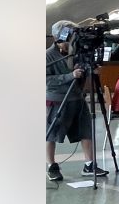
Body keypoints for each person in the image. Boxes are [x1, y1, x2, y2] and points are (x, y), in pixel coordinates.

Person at [46, 20, 108, 181]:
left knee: (86, 130)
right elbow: (45, 80)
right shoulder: (47, 56)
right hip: (57, 100)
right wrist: (70, 76)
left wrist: (92, 69)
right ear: (58, 39)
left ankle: (89, 164)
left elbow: (83, 73)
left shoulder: (79, 51)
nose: (71, 45)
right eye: (68, 42)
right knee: (51, 134)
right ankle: (51, 165)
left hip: (78, 98)